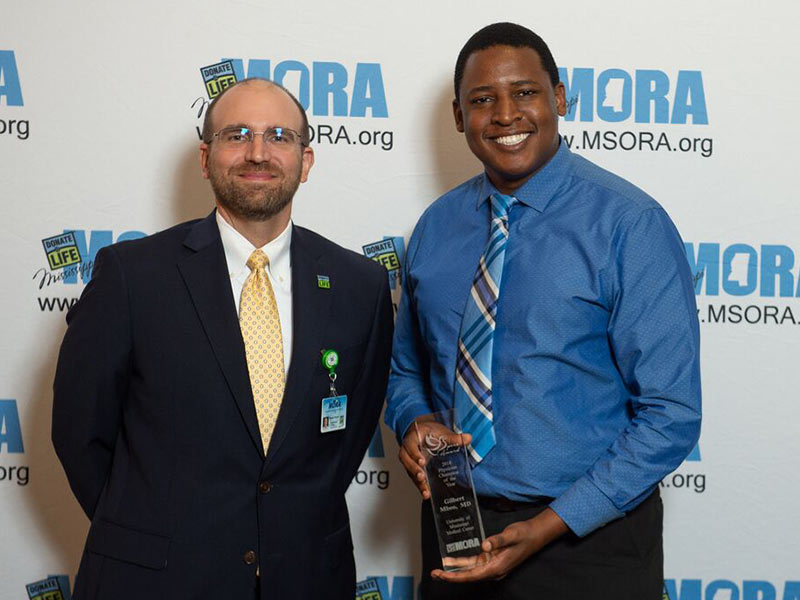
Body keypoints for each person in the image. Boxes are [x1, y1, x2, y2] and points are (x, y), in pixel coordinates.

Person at [385, 22, 701, 599]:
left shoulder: (629, 224)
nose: (505, 115)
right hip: (458, 530)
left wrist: (550, 525)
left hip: (590, 542)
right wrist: (414, 420)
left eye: (524, 93)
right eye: (482, 100)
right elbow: (407, 369)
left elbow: (670, 413)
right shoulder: (436, 226)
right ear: (459, 117)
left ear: (558, 98)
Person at [52, 78, 393, 600]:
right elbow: (79, 431)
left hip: (304, 578)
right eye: (238, 135)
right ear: (206, 157)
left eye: (279, 136)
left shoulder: (360, 285)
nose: (258, 152)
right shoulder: (132, 276)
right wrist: (146, 530)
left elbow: (343, 445)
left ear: (306, 161)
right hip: (154, 581)